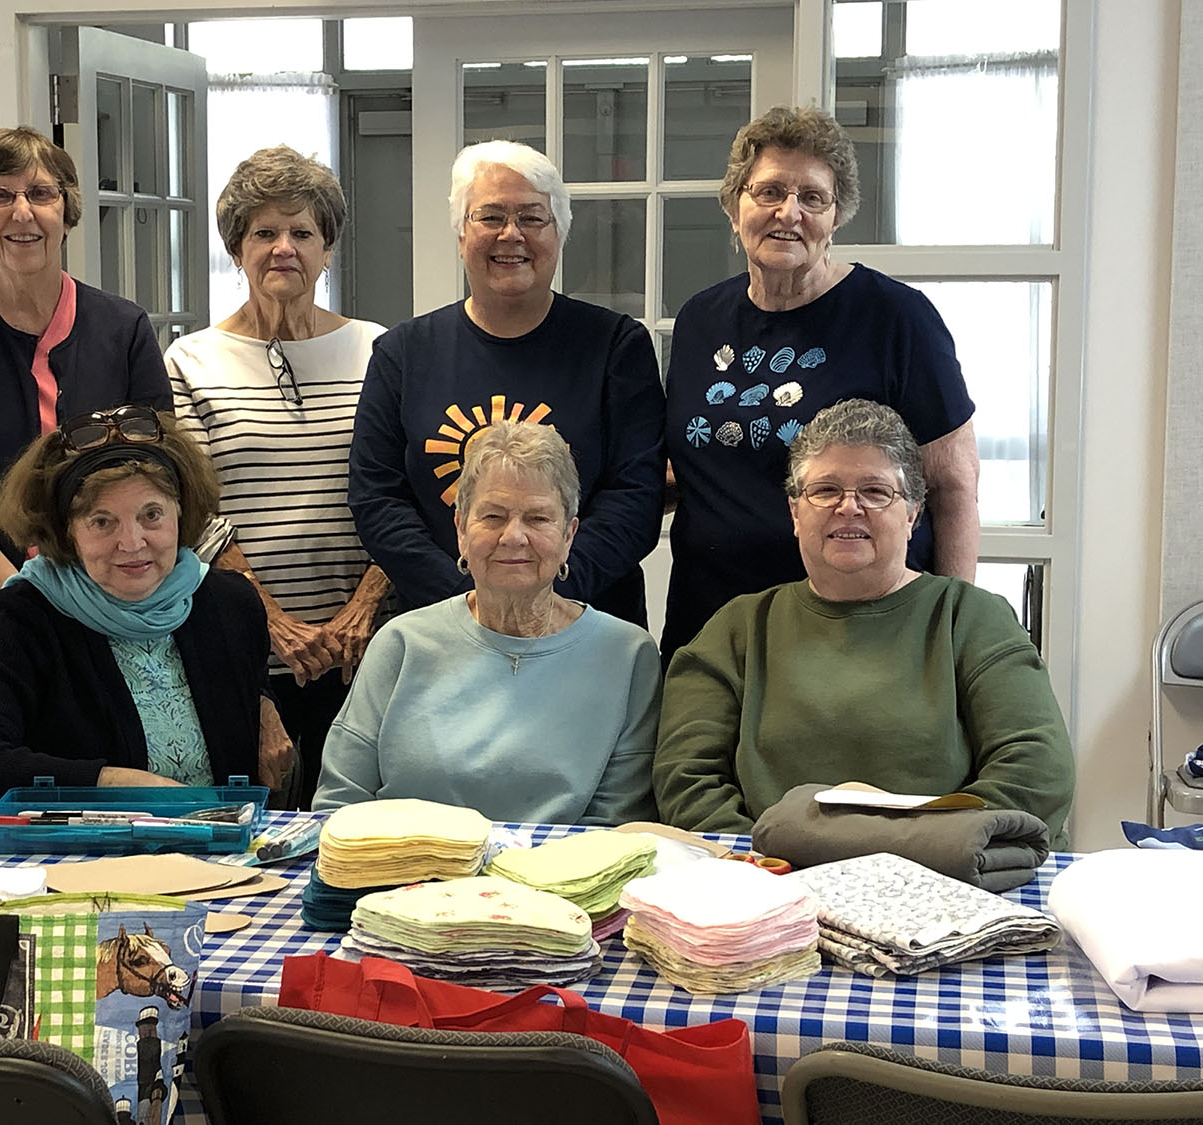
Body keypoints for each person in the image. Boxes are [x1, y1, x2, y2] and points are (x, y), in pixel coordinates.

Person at [653, 400, 1073, 847]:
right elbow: (686, 780)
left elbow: (1037, 771)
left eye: (875, 491)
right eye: (825, 490)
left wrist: (909, 855)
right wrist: (771, 866)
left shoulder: (971, 619)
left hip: (944, 878)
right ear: (796, 513)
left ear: (912, 513)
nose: (848, 508)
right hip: (772, 882)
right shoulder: (736, 630)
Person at [0, 126, 171, 770]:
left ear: (67, 210)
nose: (23, 212)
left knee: (104, 803)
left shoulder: (123, 328)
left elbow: (159, 472)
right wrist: (25, 604)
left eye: (41, 193)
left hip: (110, 616)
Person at [661, 105, 980, 664]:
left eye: (813, 197)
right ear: (735, 205)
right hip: (710, 624)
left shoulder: (897, 319)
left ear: (837, 217)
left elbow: (953, 486)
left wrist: (953, 632)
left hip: (855, 631)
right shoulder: (699, 320)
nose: (789, 212)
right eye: (769, 192)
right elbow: (693, 465)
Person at [349, 140, 664, 628]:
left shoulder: (616, 347)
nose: (511, 235)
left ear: (560, 234)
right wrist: (470, 604)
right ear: (460, 235)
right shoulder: (403, 355)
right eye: (490, 217)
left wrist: (549, 598)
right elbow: (377, 499)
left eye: (533, 218)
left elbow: (635, 494)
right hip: (446, 628)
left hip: (587, 624)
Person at [167, 145, 388, 806]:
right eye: (263, 232)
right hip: (244, 654)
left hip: (365, 648)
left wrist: (363, 606)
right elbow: (194, 507)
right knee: (255, 833)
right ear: (237, 249)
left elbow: (401, 490)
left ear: (328, 248)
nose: (282, 247)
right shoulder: (191, 361)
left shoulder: (380, 350)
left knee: (364, 833)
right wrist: (272, 623)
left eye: (302, 232)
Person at [0, 407, 290, 807]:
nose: (133, 542)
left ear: (181, 512)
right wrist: (111, 782)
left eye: (151, 515)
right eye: (102, 522)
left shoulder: (230, 603)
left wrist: (263, 702)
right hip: (88, 859)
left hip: (223, 852)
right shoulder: (27, 615)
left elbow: (245, 693)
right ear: (67, 532)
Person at [316, 420, 660, 826]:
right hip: (403, 875)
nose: (513, 537)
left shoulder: (627, 655)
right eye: (493, 516)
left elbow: (617, 827)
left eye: (538, 519)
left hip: (556, 882)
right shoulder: (401, 644)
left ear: (569, 535)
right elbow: (339, 804)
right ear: (461, 530)